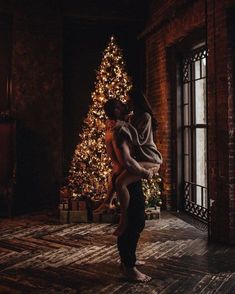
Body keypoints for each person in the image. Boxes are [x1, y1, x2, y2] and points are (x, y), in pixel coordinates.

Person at [95, 98, 161, 236]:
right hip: (134, 169)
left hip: (147, 160)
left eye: (129, 101)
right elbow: (128, 162)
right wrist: (145, 173)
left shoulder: (116, 127)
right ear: (116, 110)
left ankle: (116, 214)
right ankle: (123, 221)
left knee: (133, 229)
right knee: (133, 226)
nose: (126, 104)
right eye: (122, 104)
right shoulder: (120, 130)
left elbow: (138, 140)